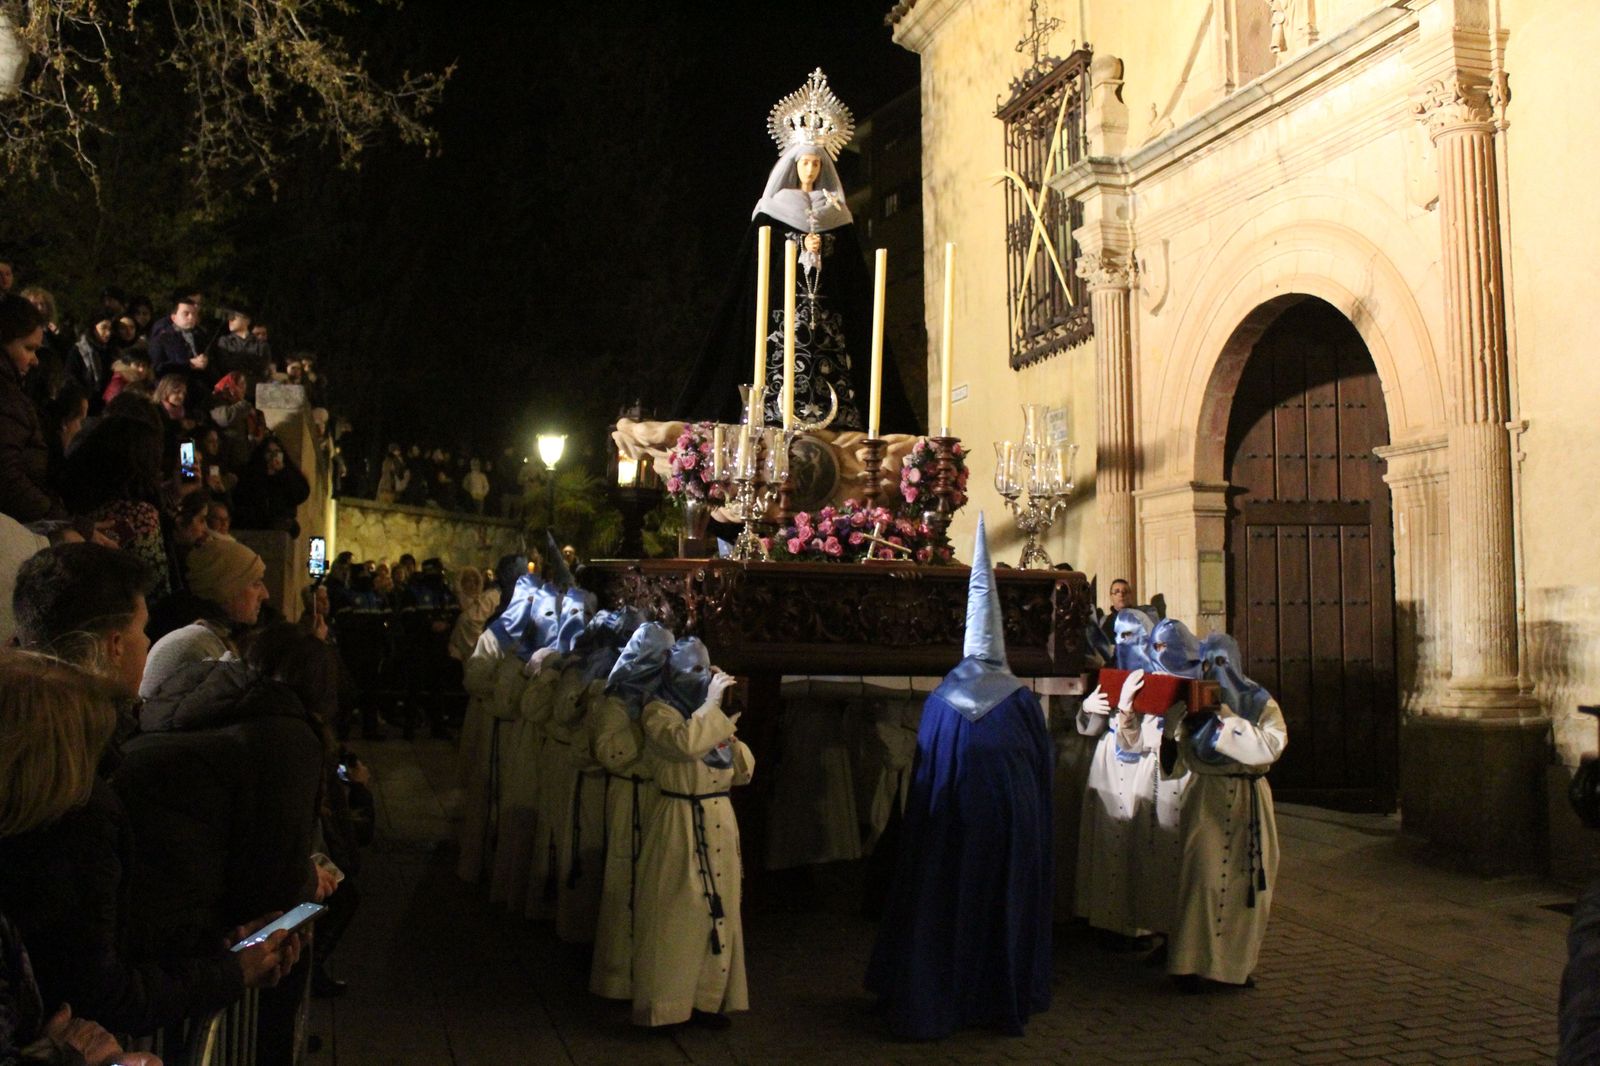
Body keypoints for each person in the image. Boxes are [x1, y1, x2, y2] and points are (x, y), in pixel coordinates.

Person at [0, 650, 298, 1039]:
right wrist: (233, 971)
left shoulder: (44, 829)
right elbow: (101, 990)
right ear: (60, 761)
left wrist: (214, 956)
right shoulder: (78, 826)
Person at [865, 514, 1054, 1039]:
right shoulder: (1019, 701)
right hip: (1007, 830)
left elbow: (924, 770)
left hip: (950, 826)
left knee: (946, 903)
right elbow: (1040, 772)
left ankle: (939, 989)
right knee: (1000, 907)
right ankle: (997, 996)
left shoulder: (943, 700)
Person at [673, 68, 915, 432]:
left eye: (817, 163)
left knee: (831, 363)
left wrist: (824, 250)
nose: (811, 168)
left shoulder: (836, 212)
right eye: (806, 162)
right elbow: (756, 270)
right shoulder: (775, 208)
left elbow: (852, 278)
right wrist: (799, 246)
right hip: (781, 314)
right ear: (794, 164)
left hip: (827, 316)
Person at [630, 635, 751, 1029]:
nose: (703, 677)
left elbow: (745, 771)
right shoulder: (658, 713)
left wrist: (727, 734)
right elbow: (683, 744)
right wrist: (710, 708)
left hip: (718, 817)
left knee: (719, 913)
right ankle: (667, 1007)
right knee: (677, 916)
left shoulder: (708, 715)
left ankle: (707, 1002)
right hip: (678, 820)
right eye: (693, 670)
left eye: (707, 668)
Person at [1163, 630, 1288, 991]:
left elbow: (1270, 746)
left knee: (1247, 888)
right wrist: (1172, 729)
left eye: (1221, 662)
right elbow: (1178, 762)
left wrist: (1227, 718)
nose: (1214, 671)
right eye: (1207, 663)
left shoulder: (1261, 702)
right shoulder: (1193, 705)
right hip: (1207, 799)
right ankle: (1190, 965)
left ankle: (1233, 968)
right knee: (1201, 879)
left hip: (1250, 802)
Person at [588, 620, 669, 1000]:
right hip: (628, 796)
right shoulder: (616, 701)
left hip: (655, 798)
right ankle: (617, 976)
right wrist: (640, 724)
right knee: (624, 877)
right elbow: (609, 752)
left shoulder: (665, 701)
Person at [141, 537, 270, 688]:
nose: (265, 594)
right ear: (226, 589)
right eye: (255, 584)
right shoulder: (195, 646)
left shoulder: (226, 632)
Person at [0, 295, 69, 523]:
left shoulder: (14, 397)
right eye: (29, 348)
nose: (35, 360)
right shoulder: (8, 400)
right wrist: (60, 523)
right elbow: (7, 478)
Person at [231, 436, 309, 537]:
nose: (273, 456)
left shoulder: (289, 473)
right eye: (269, 452)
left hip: (279, 519)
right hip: (255, 521)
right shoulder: (251, 473)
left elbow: (300, 493)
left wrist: (283, 473)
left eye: (277, 452)